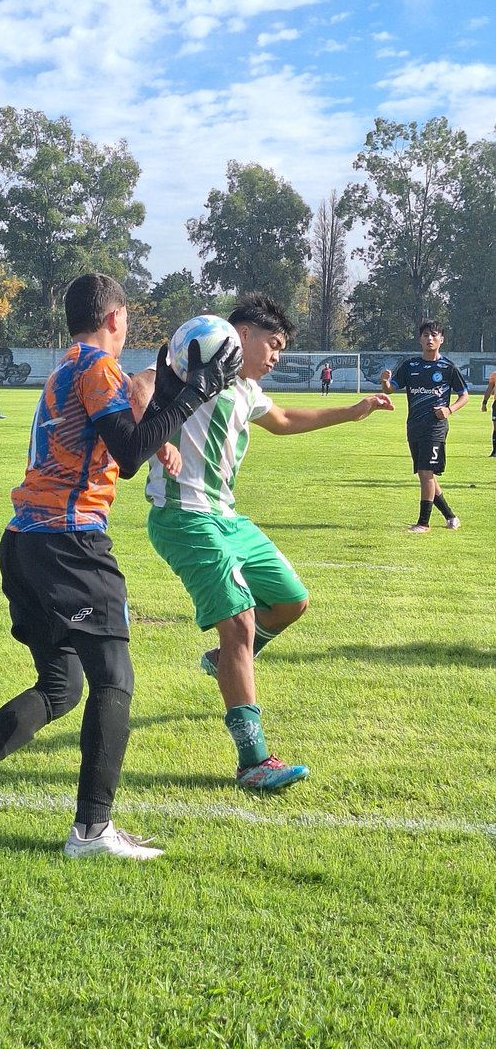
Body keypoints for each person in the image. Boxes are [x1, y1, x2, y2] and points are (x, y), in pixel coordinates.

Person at [0, 273, 241, 859]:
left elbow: (128, 441)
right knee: (114, 679)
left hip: (26, 542)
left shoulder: (69, 364)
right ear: (116, 317)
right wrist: (195, 392)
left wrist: (171, 390)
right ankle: (91, 832)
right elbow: (130, 449)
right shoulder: (97, 367)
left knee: (61, 688)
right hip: (68, 544)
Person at [137, 294, 394, 793]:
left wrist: (354, 411)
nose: (275, 356)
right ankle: (253, 760)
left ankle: (224, 662)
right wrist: (154, 434)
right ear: (240, 334)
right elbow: (140, 386)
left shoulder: (248, 389)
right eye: (272, 344)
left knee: (292, 601)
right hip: (183, 519)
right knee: (240, 622)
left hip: (227, 517)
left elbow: (285, 421)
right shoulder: (190, 366)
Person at [380, 320, 469, 532]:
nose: (430, 339)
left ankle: (423, 523)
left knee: (426, 471)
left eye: (434, 335)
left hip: (435, 427)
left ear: (441, 339)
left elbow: (464, 395)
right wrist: (384, 382)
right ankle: (450, 516)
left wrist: (449, 410)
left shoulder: (448, 368)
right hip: (414, 426)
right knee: (425, 475)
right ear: (420, 339)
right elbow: (391, 389)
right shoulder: (410, 366)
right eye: (426, 335)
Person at [481, 370, 496, 457]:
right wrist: (484, 402)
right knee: (495, 428)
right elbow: (489, 389)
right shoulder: (494, 375)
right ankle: (494, 451)